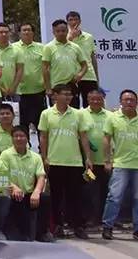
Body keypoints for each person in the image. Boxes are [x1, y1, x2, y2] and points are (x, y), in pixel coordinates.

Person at [39, 83, 93, 239]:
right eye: (65, 94)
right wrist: (44, 157)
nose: (68, 97)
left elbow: (83, 137)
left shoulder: (78, 114)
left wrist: (88, 158)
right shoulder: (46, 114)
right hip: (54, 161)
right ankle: (57, 225)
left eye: (70, 94)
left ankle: (78, 226)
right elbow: (43, 137)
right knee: (56, 196)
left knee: (75, 196)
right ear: (55, 95)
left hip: (74, 162)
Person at [1, 125, 52, 242]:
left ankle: (42, 233)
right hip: (12, 193)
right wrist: (14, 187)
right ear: (12, 138)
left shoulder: (35, 157)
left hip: (29, 194)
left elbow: (41, 176)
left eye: (22, 136)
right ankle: (19, 233)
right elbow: (3, 175)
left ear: (27, 138)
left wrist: (37, 192)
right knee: (16, 200)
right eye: (16, 136)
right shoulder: (5, 155)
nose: (19, 139)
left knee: (45, 198)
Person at [101, 89, 138, 240]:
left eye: (132, 100)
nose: (129, 102)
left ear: (136, 102)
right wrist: (107, 160)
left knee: (137, 199)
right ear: (121, 102)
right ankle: (107, 226)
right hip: (120, 164)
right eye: (125, 99)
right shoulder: (113, 118)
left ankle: (137, 230)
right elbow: (106, 140)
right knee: (114, 197)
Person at [82, 88, 111, 229]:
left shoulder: (110, 116)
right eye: (92, 99)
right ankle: (90, 218)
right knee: (91, 190)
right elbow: (80, 135)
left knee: (106, 191)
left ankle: (103, 219)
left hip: (106, 163)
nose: (95, 101)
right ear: (87, 99)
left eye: (98, 99)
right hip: (90, 164)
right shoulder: (81, 114)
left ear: (103, 100)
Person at [42, 19, 88, 102]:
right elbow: (45, 69)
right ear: (53, 32)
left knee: (73, 109)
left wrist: (79, 75)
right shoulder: (48, 47)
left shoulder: (75, 47)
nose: (61, 33)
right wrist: (48, 88)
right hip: (56, 86)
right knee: (57, 110)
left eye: (63, 31)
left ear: (67, 31)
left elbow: (84, 65)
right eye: (58, 31)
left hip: (72, 85)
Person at [11, 23, 45, 132]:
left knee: (40, 124)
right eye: (24, 30)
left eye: (29, 30)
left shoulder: (42, 48)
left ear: (33, 32)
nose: (26, 32)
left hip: (38, 91)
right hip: (20, 92)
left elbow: (46, 67)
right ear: (19, 33)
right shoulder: (13, 48)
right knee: (22, 124)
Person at [66, 11, 99, 108]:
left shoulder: (89, 37)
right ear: (67, 22)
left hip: (89, 76)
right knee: (73, 106)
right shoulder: (65, 37)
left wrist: (97, 77)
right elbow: (62, 51)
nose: (73, 22)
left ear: (80, 21)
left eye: (75, 19)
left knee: (90, 106)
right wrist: (70, 37)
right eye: (70, 20)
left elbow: (92, 58)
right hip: (72, 77)